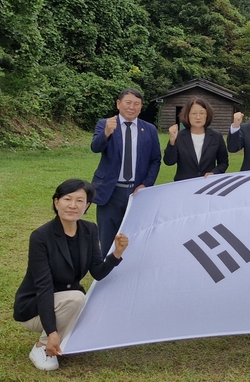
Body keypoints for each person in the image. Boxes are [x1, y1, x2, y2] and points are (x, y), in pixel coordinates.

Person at [13, 179, 128, 371]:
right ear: (56, 202)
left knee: (87, 303)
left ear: (87, 206)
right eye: (67, 199)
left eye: (80, 201)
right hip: (34, 308)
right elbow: (44, 287)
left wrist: (117, 253)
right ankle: (42, 346)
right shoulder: (41, 236)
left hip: (65, 301)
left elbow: (97, 272)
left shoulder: (90, 230)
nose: (73, 205)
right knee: (76, 298)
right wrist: (51, 332)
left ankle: (63, 338)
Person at [91, 88, 161, 253]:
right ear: (118, 104)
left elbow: (155, 159)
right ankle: (106, 274)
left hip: (138, 193)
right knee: (107, 238)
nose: (132, 107)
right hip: (110, 192)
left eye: (136, 104)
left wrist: (146, 184)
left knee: (135, 236)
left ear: (141, 107)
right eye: (128, 102)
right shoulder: (106, 124)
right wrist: (107, 132)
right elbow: (95, 147)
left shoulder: (149, 129)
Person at [163, 97, 229, 180]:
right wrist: (172, 141)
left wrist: (214, 173)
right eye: (194, 113)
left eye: (202, 113)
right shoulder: (179, 136)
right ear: (187, 115)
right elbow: (169, 162)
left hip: (207, 184)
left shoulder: (216, 136)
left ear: (207, 115)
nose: (198, 117)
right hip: (183, 185)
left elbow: (223, 163)